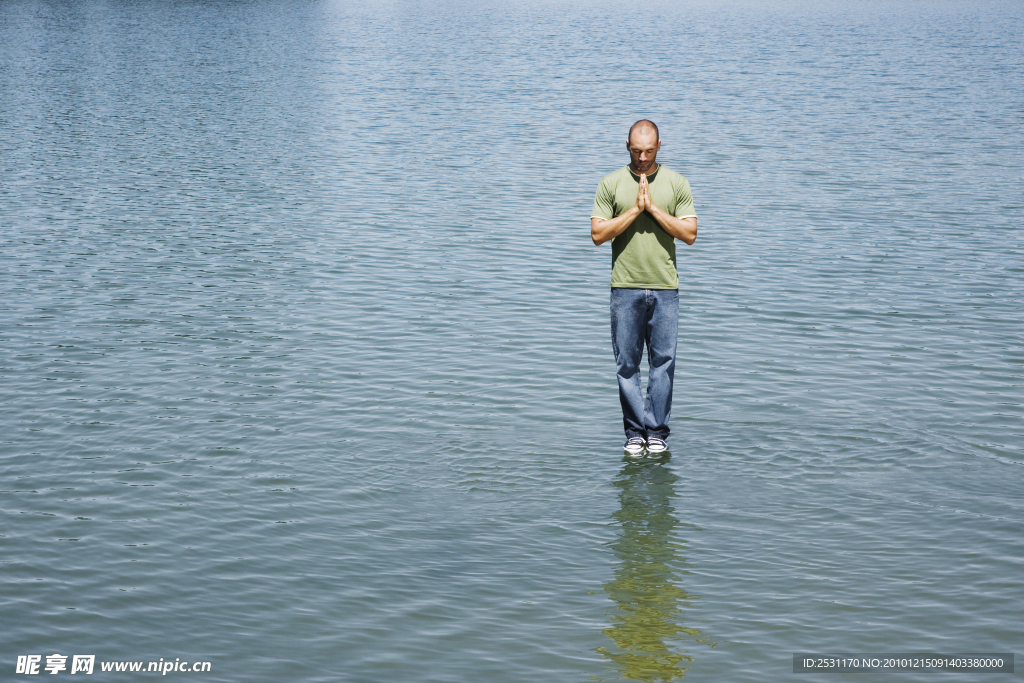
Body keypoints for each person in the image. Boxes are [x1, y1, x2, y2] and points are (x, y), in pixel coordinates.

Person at [591, 120, 698, 455]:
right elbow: (597, 235)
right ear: (626, 146)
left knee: (663, 362)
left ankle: (657, 433)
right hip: (624, 287)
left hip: (665, 287)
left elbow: (689, 234)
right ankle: (635, 432)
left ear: (659, 146)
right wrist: (635, 210)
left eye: (648, 151)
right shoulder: (610, 184)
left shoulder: (677, 183)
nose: (642, 157)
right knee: (627, 365)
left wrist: (652, 209)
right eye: (636, 151)